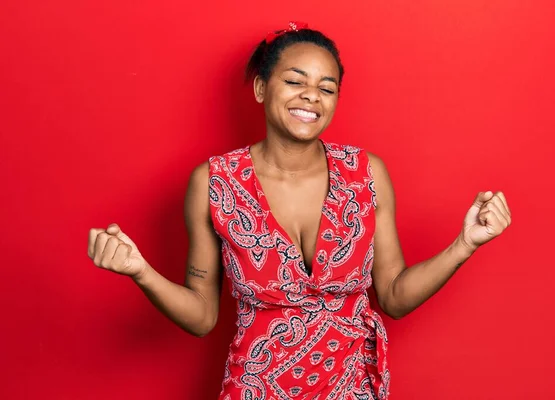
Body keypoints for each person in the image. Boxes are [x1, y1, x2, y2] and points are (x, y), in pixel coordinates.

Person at [87, 22, 512, 400]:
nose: (312, 95)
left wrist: (464, 244)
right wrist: (140, 270)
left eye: (327, 88)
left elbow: (396, 298)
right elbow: (202, 316)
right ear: (260, 89)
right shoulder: (215, 183)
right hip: (257, 387)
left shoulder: (366, 174)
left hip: (351, 385)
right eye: (295, 81)